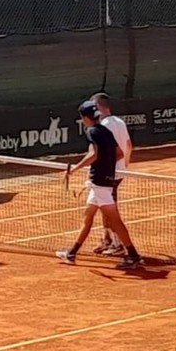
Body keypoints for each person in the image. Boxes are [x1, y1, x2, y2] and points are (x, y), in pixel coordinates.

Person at [57, 100, 142, 270]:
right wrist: (106, 165)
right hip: (102, 182)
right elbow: (119, 154)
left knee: (115, 220)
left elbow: (94, 155)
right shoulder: (105, 131)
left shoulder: (92, 131)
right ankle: (72, 253)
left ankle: (134, 256)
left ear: (85, 118)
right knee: (88, 217)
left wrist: (75, 169)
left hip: (100, 183)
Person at [91, 92, 132, 256]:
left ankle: (118, 244)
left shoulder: (103, 126)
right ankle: (107, 239)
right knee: (104, 206)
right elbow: (129, 145)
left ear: (99, 107)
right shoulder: (120, 122)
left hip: (109, 174)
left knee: (109, 209)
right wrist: (125, 165)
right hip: (119, 172)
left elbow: (108, 152)